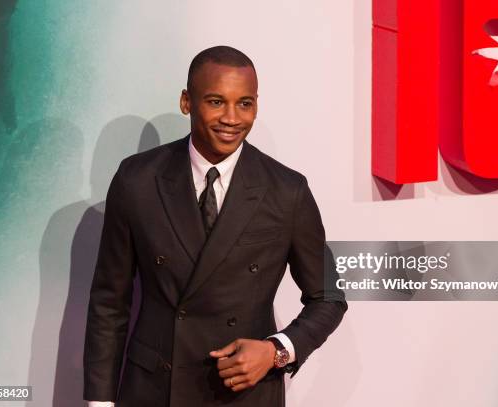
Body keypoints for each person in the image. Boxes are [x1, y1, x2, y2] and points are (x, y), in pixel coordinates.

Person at [83, 45, 347, 407]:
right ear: (186, 102)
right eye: (216, 101)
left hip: (242, 393)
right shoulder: (137, 179)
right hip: (155, 390)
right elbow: (109, 302)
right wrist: (99, 402)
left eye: (245, 103)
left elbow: (329, 297)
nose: (232, 118)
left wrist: (276, 351)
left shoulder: (287, 190)